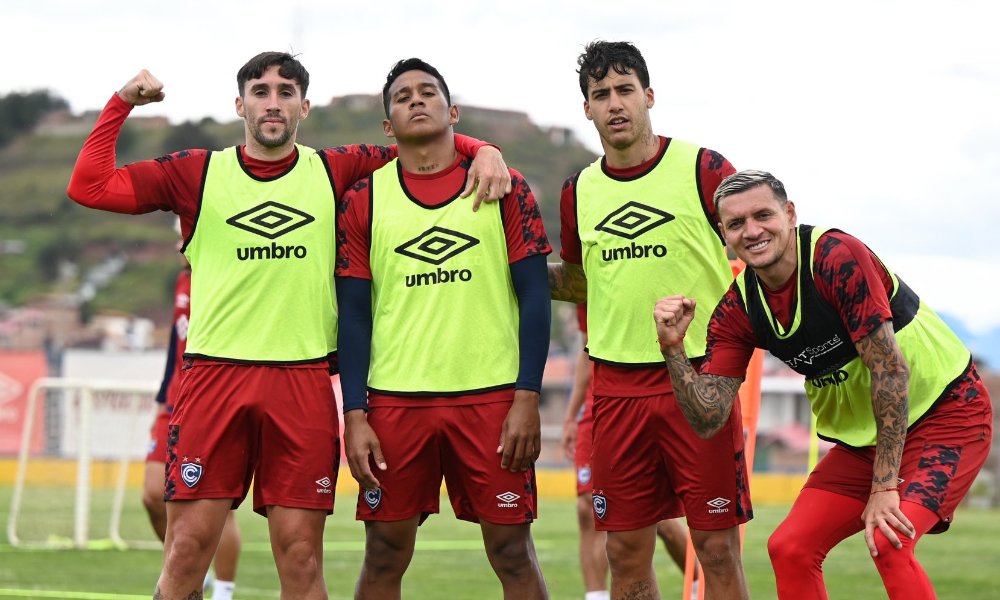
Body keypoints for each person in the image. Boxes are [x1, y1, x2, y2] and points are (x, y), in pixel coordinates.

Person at [66, 51, 512, 599]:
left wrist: (484, 149)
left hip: (300, 384)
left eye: (284, 92)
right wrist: (121, 104)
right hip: (214, 379)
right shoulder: (197, 173)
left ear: (304, 106)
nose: (271, 103)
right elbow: (88, 185)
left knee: (301, 560)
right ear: (240, 104)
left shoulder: (336, 169)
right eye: (260, 91)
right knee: (184, 556)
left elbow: (421, 137)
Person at [654, 170, 993, 599]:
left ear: (790, 213)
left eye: (763, 215)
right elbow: (708, 418)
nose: (752, 231)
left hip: (947, 413)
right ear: (724, 234)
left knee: (890, 541)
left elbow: (891, 371)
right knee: (790, 548)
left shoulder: (835, 259)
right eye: (736, 224)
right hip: (865, 440)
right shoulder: (739, 307)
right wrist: (673, 348)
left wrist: (884, 487)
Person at [335, 58, 551, 600]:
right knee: (384, 552)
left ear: (451, 110)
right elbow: (355, 316)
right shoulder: (364, 197)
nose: (416, 100)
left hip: (492, 400)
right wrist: (354, 413)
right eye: (402, 96)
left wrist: (527, 397)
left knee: (512, 553)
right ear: (388, 127)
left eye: (428, 92)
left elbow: (534, 297)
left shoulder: (505, 186)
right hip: (396, 404)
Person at [547, 40, 751, 599]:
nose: (615, 104)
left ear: (648, 96)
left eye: (625, 90)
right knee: (624, 551)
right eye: (600, 95)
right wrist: (511, 275)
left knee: (716, 550)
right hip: (615, 388)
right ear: (586, 109)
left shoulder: (704, 168)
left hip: (699, 378)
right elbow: (578, 280)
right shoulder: (578, 191)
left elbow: (756, 248)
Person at [561, 304, 698, 600]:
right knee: (588, 508)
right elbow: (587, 349)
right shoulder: (590, 280)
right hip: (600, 402)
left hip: (647, 392)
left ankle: (699, 581)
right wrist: (572, 414)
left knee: (655, 518)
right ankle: (595, 596)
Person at [144, 257, 241, 600]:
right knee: (153, 494)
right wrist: (161, 396)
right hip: (174, 400)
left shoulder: (224, 271)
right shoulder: (182, 280)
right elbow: (175, 344)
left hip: (210, 401)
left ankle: (223, 592)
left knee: (214, 506)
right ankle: (185, 570)